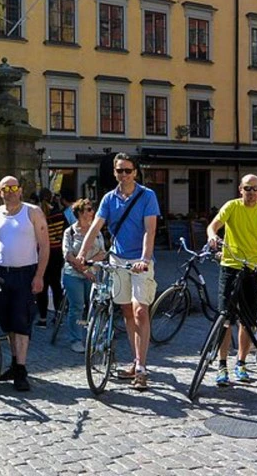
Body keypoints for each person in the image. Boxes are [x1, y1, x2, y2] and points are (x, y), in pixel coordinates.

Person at [77, 153, 160, 391]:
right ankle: (135, 361)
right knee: (126, 310)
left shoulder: (147, 196)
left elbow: (149, 231)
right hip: (118, 258)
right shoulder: (108, 199)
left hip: (139, 261)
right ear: (114, 172)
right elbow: (95, 227)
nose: (124, 175)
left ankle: (142, 368)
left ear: (135, 172)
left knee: (140, 310)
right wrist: (83, 254)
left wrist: (144, 258)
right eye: (119, 171)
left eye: (128, 170)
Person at [206, 174, 257, 386]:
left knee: (248, 321)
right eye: (247, 189)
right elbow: (213, 225)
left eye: (255, 189)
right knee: (225, 319)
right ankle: (222, 364)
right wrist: (212, 236)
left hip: (254, 270)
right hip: (231, 267)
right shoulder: (232, 206)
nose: (251, 193)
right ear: (240, 190)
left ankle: (241, 363)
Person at [0, 176, 49, 392]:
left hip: (25, 274)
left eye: (14, 187)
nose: (10, 191)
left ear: (20, 190)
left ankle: (21, 370)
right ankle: (14, 363)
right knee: (7, 322)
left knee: (21, 321)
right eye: (5, 188)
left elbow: (44, 246)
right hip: (0, 274)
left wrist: (39, 275)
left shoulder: (33, 212)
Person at [62, 199, 106, 353]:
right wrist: (84, 270)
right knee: (77, 307)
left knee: (94, 307)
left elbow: (102, 252)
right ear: (79, 213)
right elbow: (68, 255)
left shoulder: (97, 231)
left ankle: (93, 336)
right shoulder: (70, 232)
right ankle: (76, 338)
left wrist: (90, 263)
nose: (91, 212)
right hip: (73, 275)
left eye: (91, 209)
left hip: (93, 274)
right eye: (87, 209)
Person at [35, 189, 66, 328]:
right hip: (56, 252)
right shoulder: (59, 214)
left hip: (40, 252)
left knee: (42, 284)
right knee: (56, 285)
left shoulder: (37, 214)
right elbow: (65, 232)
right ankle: (58, 316)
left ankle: (42, 318)